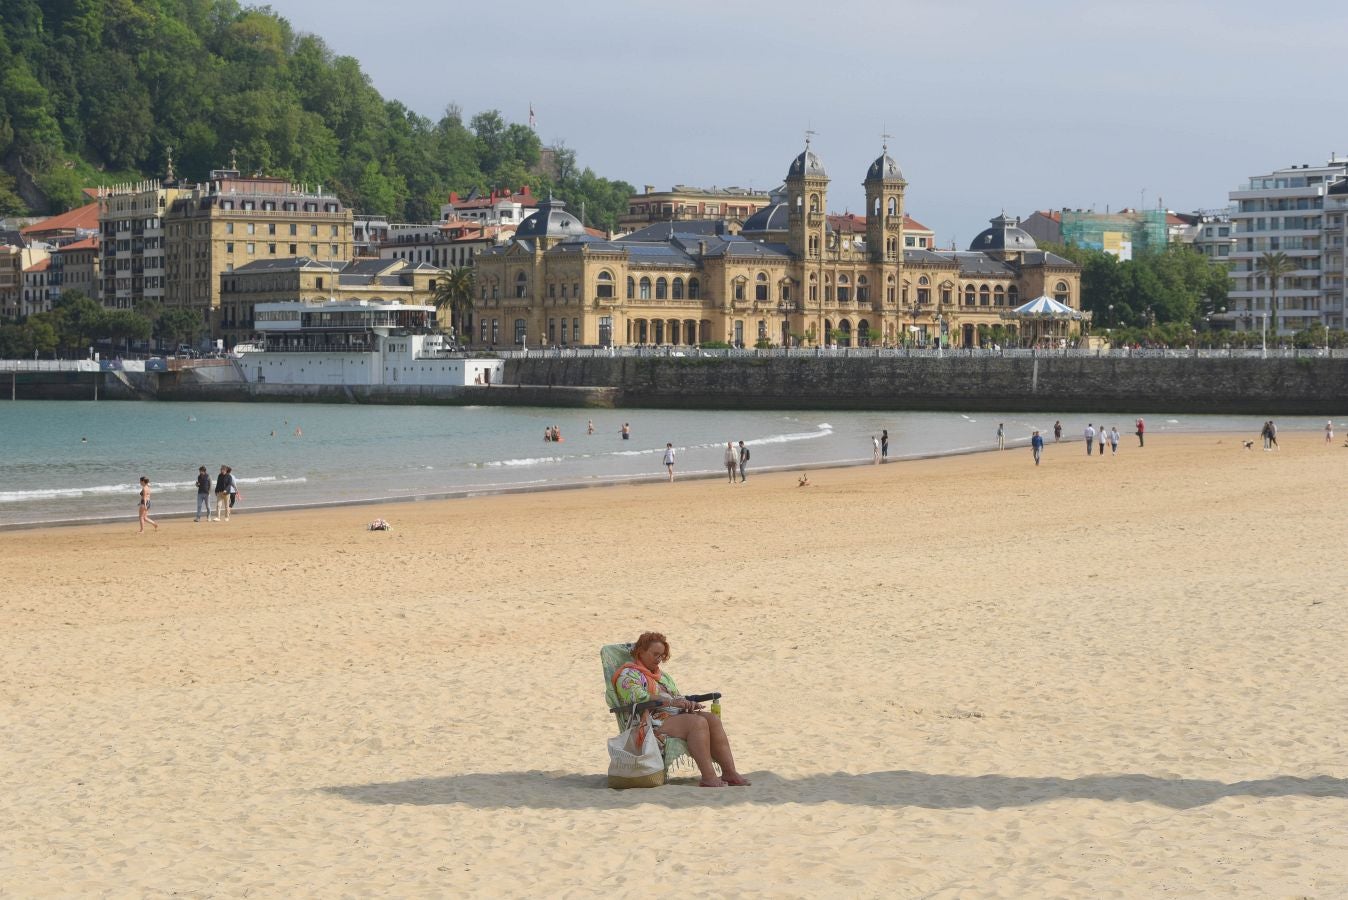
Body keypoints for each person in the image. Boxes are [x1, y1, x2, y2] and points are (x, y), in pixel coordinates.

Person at [612, 631, 749, 788]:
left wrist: (687, 704)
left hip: (673, 716)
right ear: (641, 651)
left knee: (712, 719)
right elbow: (638, 697)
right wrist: (671, 702)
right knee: (696, 723)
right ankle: (708, 777)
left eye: (662, 656)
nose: (659, 659)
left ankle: (729, 772)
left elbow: (677, 697)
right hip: (650, 721)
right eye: (655, 654)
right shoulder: (628, 675)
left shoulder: (662, 676)